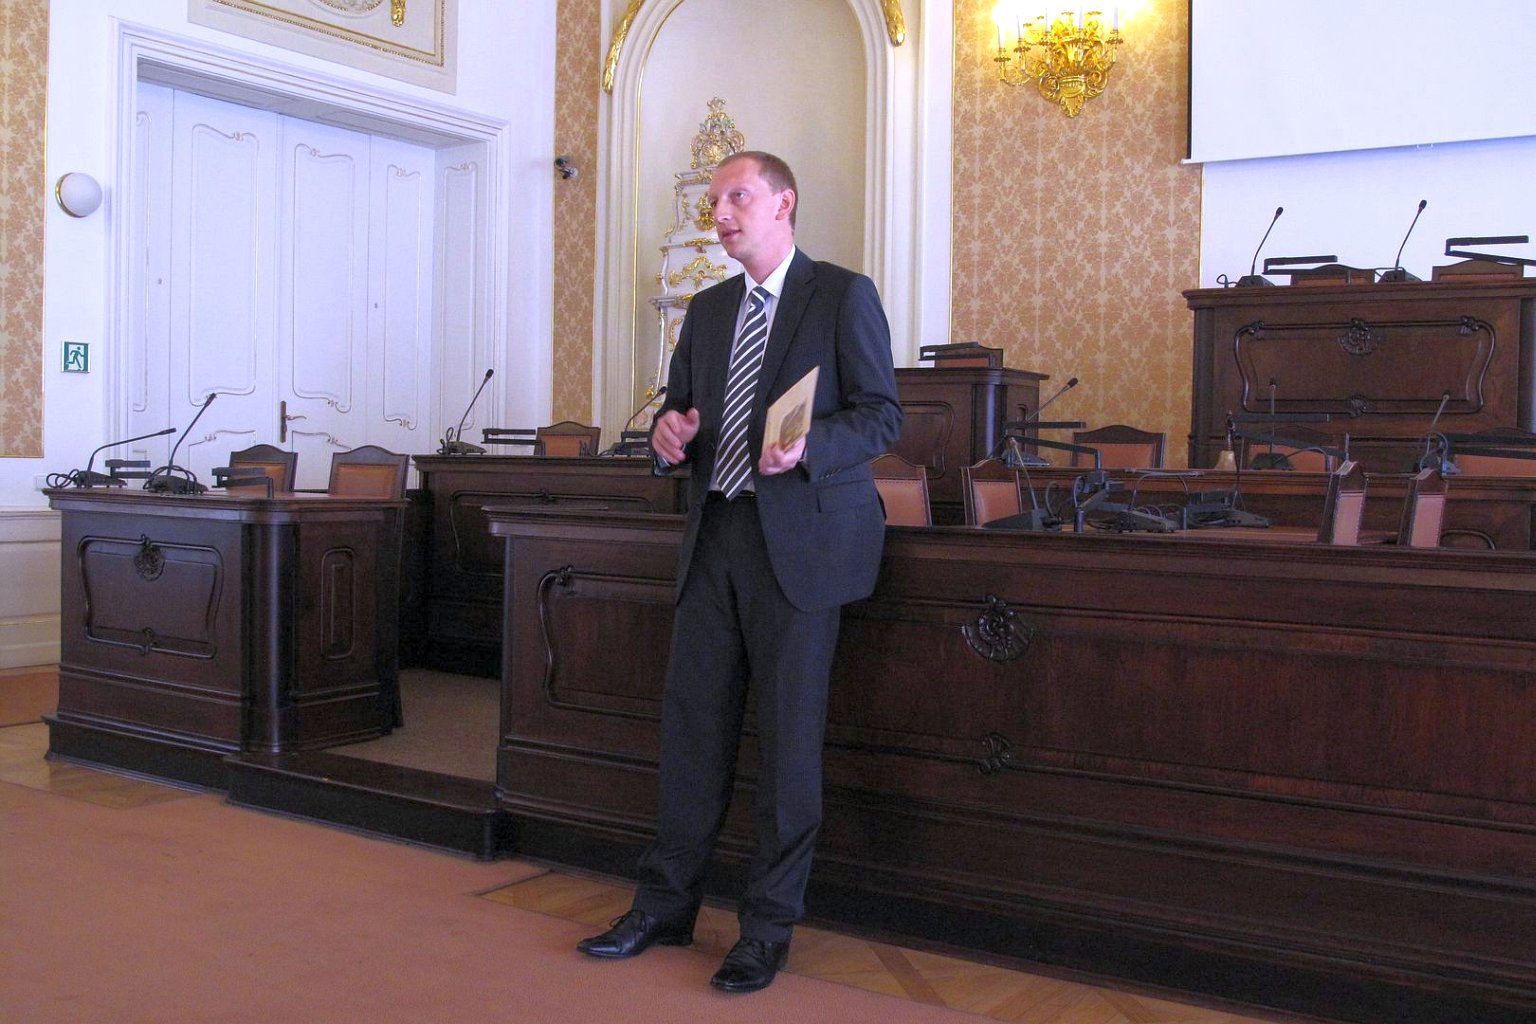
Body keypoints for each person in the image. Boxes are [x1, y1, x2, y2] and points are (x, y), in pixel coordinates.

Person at [576, 151, 902, 992]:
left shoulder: (842, 295)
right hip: (715, 535)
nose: (719, 213)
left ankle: (766, 929)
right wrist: (667, 440)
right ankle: (664, 906)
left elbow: (881, 416)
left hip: (800, 547)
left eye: (738, 198)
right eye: (715, 200)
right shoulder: (709, 308)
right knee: (693, 733)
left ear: (783, 204)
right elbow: (678, 416)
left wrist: (811, 446)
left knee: (788, 746)